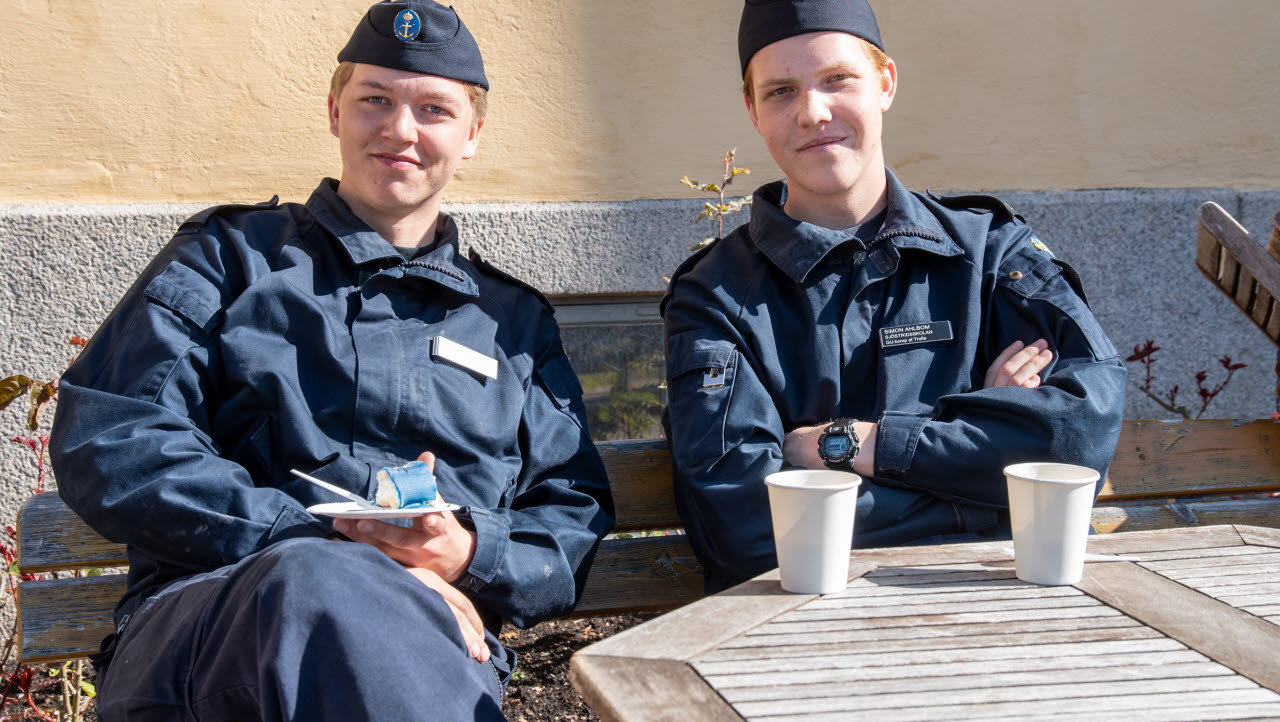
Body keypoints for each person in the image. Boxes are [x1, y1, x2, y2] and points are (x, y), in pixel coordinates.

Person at [49, 2, 613, 719]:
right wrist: (332, 543)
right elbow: (113, 438)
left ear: (472, 134)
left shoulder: (513, 323)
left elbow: (570, 509)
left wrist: (469, 555)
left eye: (434, 109)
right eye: (375, 100)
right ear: (334, 111)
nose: (400, 130)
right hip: (208, 636)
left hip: (432, 654)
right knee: (319, 582)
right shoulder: (230, 261)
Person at [662, 0, 1125, 594]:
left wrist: (849, 445)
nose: (812, 112)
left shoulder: (990, 255)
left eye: (837, 79)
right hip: (798, 643)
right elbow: (746, 528)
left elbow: (1078, 438)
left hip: (1006, 620)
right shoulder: (715, 296)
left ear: (885, 83)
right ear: (753, 111)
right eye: (781, 91)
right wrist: (988, 486)